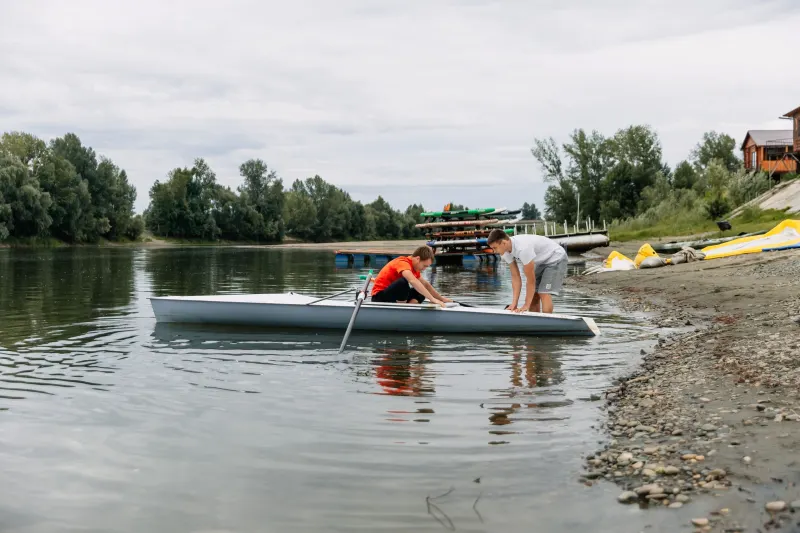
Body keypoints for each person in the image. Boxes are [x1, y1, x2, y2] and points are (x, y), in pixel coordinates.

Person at [486, 229, 568, 314]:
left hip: (556, 257)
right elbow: (515, 277)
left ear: (504, 243)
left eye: (495, 248)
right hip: (541, 261)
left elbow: (531, 281)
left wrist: (526, 305)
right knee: (534, 296)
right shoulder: (504, 252)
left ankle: (547, 323)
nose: (494, 251)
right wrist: (514, 304)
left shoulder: (523, 249)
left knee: (543, 293)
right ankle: (534, 323)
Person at [370, 246, 452, 308]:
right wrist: (432, 299)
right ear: (418, 259)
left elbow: (426, 284)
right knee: (403, 282)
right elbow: (412, 281)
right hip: (379, 297)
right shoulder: (402, 262)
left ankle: (411, 307)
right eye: (424, 266)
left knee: (422, 290)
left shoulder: (415, 268)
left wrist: (441, 299)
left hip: (394, 297)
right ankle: (403, 309)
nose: (424, 269)